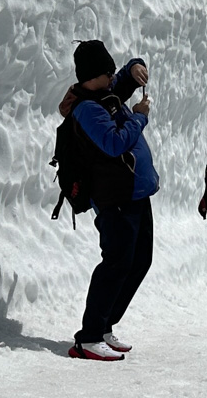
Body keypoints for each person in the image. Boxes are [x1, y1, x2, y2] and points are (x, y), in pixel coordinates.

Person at [60, 42, 158, 361]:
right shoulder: (87, 109)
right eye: (107, 71)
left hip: (136, 194)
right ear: (93, 76)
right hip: (115, 198)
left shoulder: (106, 92)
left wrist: (134, 67)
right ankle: (88, 337)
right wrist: (139, 118)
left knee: (139, 261)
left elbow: (124, 78)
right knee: (116, 264)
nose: (111, 75)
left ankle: (103, 327)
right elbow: (113, 144)